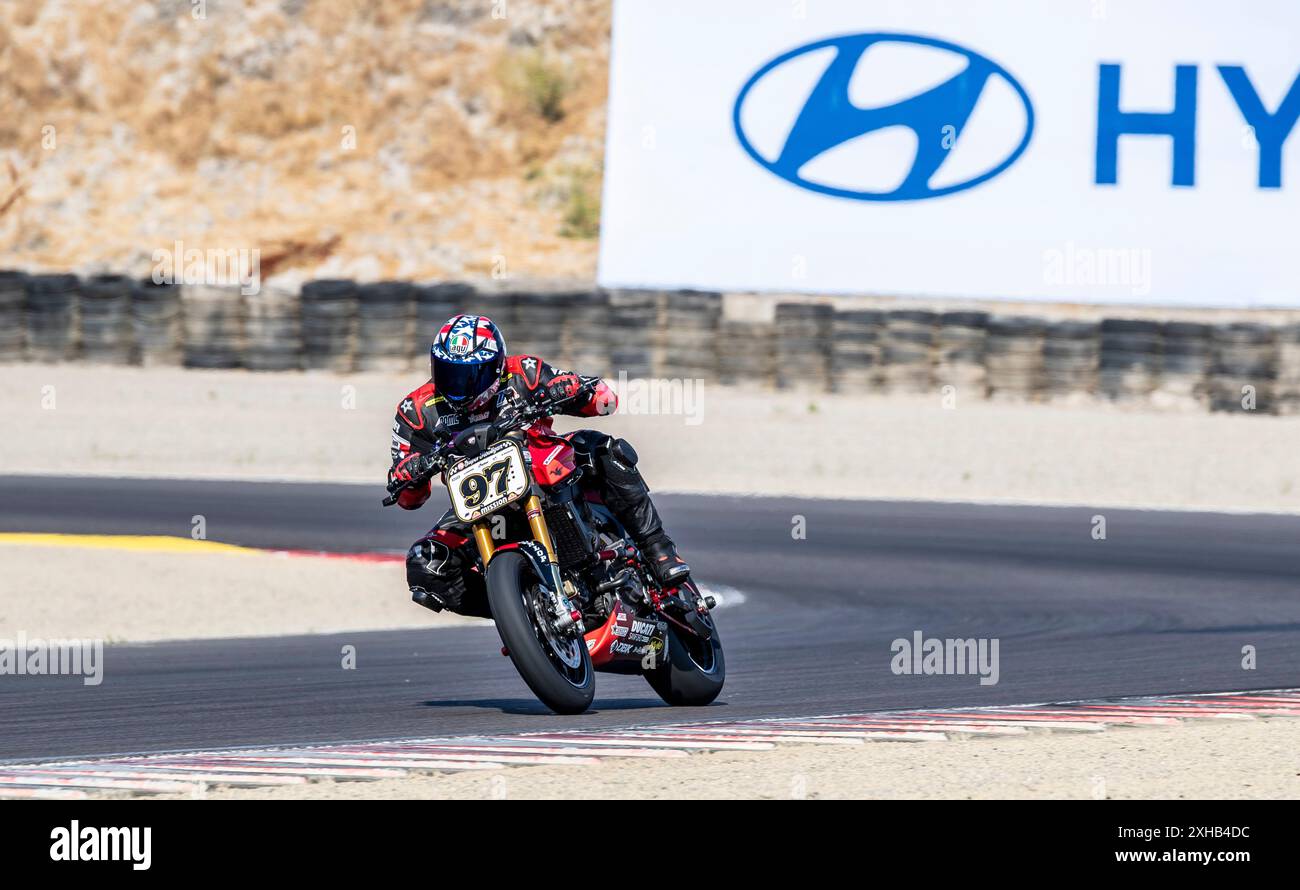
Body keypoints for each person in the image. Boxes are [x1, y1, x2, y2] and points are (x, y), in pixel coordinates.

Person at [390, 313, 690, 617]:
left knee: (605, 450)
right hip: (475, 498)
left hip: (541, 463)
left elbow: (605, 400)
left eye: (470, 374)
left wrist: (572, 387)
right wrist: (408, 474)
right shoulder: (415, 410)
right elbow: (408, 498)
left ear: (495, 366)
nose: (458, 385)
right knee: (425, 563)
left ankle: (659, 550)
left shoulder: (523, 372)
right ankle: (524, 612)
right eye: (448, 372)